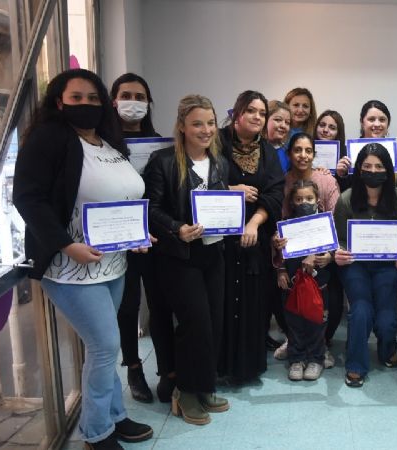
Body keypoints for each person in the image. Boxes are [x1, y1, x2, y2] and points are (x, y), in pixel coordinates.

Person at [13, 68, 153, 448]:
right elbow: (27, 198)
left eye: (93, 98)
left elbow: (124, 197)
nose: (86, 105)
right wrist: (65, 244)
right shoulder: (49, 138)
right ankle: (96, 431)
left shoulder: (108, 141)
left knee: (105, 347)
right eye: (76, 98)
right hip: (70, 267)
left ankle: (115, 415)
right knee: (105, 346)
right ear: (59, 102)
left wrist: (138, 234)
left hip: (113, 263)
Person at [143, 94, 230, 425]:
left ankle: (204, 386)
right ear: (181, 126)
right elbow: (151, 208)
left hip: (213, 253)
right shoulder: (163, 161)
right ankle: (186, 392)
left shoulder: (219, 162)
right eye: (197, 124)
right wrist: (177, 228)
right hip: (179, 257)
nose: (206, 130)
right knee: (195, 325)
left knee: (214, 323)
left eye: (210, 123)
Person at [109, 72, 174, 404]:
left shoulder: (160, 144)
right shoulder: (102, 144)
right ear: (113, 101)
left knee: (160, 303)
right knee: (128, 304)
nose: (132, 103)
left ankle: (167, 371)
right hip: (121, 236)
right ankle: (134, 368)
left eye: (139, 97)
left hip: (156, 236)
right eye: (126, 96)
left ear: (148, 103)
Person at [217, 90, 284, 384]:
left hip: (254, 237)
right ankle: (219, 366)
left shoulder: (268, 152)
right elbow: (200, 183)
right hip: (219, 238)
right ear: (237, 113)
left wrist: (254, 223)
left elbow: (275, 194)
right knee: (222, 302)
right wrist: (230, 191)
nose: (257, 117)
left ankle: (246, 368)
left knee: (252, 303)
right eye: (251, 111)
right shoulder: (217, 143)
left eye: (262, 113)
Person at [333, 143, 397, 387]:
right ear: (359, 169)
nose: (373, 171)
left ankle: (387, 347)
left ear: (388, 170)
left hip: (386, 265)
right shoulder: (346, 200)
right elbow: (339, 238)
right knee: (361, 310)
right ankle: (356, 364)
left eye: (379, 166)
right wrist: (339, 253)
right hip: (355, 264)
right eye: (367, 166)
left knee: (386, 319)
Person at [274, 132, 340, 365]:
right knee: (291, 305)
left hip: (322, 259)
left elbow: (334, 222)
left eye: (308, 150)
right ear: (289, 154)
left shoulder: (326, 180)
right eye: (297, 150)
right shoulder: (282, 182)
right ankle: (295, 344)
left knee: (321, 307)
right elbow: (280, 225)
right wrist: (280, 262)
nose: (303, 155)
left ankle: (320, 347)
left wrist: (326, 254)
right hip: (292, 260)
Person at [276, 180, 331, 381]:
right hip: (292, 285)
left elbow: (333, 250)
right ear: (292, 202)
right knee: (294, 323)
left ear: (317, 200)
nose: (304, 203)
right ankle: (296, 359)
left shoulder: (325, 224)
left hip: (319, 285)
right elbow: (280, 255)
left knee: (317, 323)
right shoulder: (285, 224)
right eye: (299, 199)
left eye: (309, 198)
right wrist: (281, 269)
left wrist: (325, 256)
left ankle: (316, 359)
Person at [313, 110, 351, 344]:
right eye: (322, 125)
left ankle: (326, 339)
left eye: (332, 127)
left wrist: (340, 175)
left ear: (339, 133)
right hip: (307, 232)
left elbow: (348, 199)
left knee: (333, 288)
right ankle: (301, 338)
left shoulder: (345, 159)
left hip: (334, 231)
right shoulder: (305, 152)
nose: (326, 130)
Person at [264, 100, 292, 173]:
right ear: (265, 120)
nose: (283, 126)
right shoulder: (254, 149)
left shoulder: (287, 153)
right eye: (278, 120)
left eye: (287, 122)